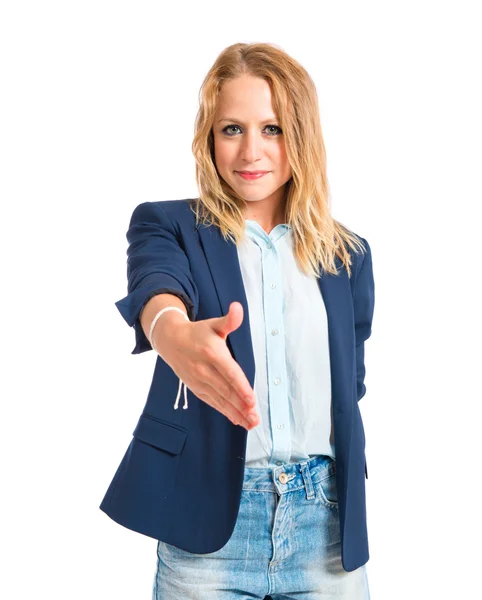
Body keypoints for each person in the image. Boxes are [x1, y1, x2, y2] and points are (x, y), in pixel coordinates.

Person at [100, 42, 375, 599]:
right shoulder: (170, 225)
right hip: (211, 528)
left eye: (272, 128)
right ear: (209, 138)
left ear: (301, 136)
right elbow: (157, 293)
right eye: (232, 129)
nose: (251, 150)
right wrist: (173, 335)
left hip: (324, 529)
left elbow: (352, 382)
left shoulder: (348, 254)